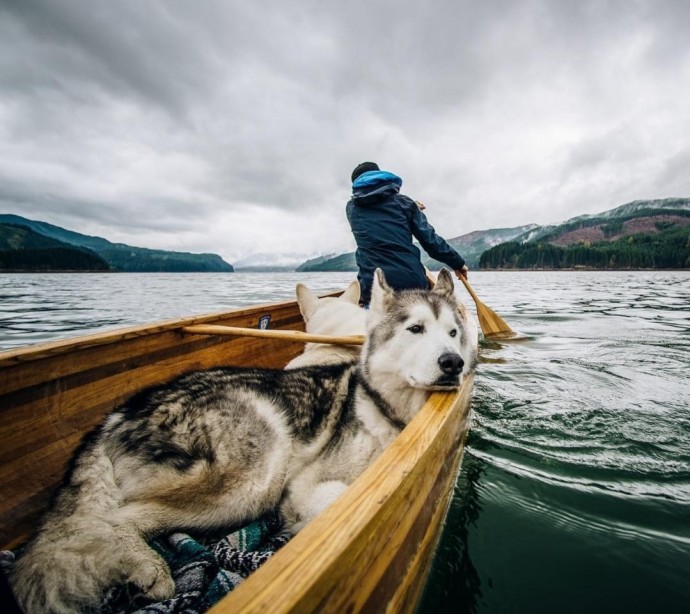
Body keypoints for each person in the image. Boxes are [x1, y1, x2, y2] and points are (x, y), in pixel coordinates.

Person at [346, 161, 468, 306]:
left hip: (372, 287)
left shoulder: (351, 209)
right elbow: (431, 241)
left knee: (370, 309)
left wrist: (411, 207)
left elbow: (378, 213)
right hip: (410, 285)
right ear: (381, 177)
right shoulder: (404, 204)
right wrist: (458, 263)